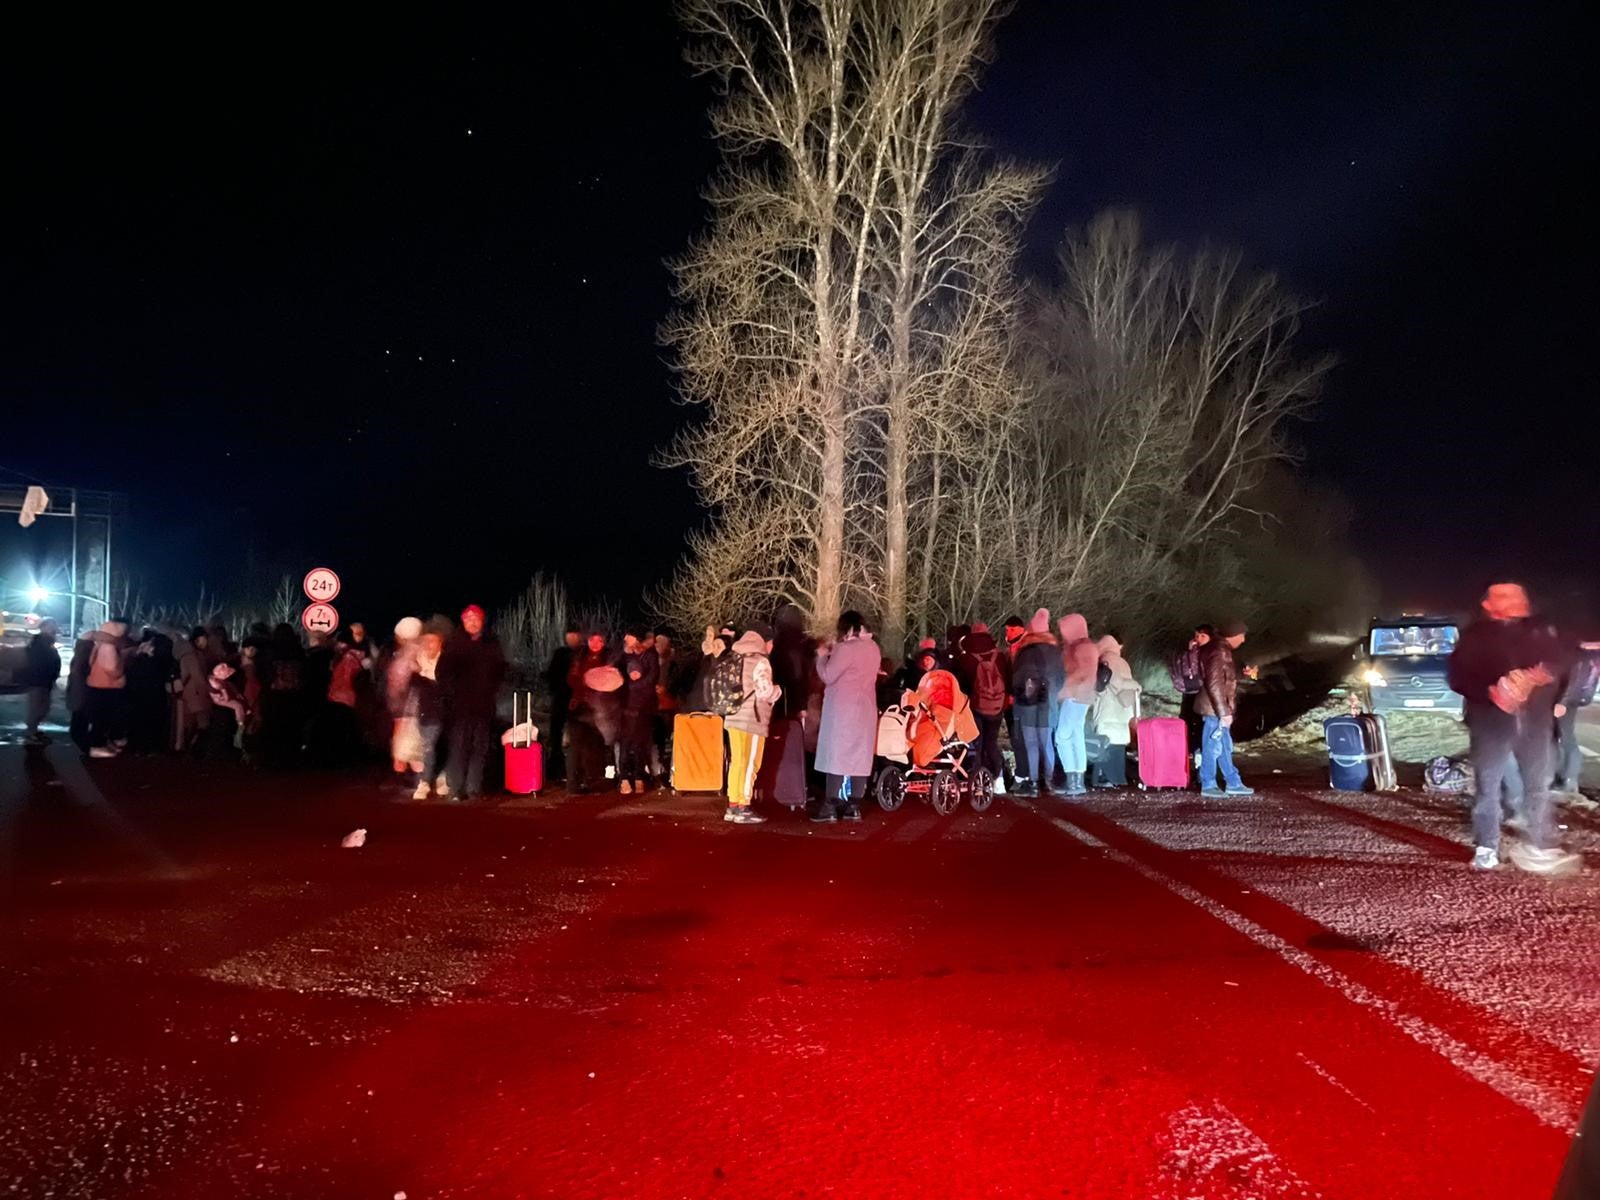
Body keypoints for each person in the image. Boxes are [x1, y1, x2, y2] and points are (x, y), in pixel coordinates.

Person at [1447, 582, 1578, 873]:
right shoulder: (1474, 636)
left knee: (1538, 786)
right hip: (1490, 723)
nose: (1516, 601)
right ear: (1488, 604)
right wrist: (1490, 690)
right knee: (1488, 787)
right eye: (1504, 596)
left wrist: (1541, 677)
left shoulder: (1539, 630)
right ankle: (1486, 847)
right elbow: (1457, 677)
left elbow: (1564, 660)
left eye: (1518, 594)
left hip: (1535, 723)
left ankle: (1540, 845)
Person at [813, 610, 879, 822]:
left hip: (842, 710)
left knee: (837, 754)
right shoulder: (874, 648)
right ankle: (854, 805)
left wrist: (822, 656)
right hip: (866, 709)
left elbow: (828, 675)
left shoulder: (844, 649)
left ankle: (831, 804)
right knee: (860, 754)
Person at [438, 604, 506, 801]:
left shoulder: (491, 643)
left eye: (476, 619)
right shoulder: (454, 643)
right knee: (460, 747)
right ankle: (456, 787)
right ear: (463, 621)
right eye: (468, 619)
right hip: (461, 707)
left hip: (484, 705)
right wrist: (452, 695)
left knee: (480, 748)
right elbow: (443, 674)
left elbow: (500, 669)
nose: (473, 622)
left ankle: (474, 787)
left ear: (482, 621)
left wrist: (494, 689)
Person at [723, 622, 782, 824]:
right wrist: (778, 691)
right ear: (764, 642)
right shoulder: (760, 660)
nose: (772, 646)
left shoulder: (734, 656)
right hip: (752, 719)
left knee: (737, 761)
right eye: (771, 642)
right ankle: (744, 806)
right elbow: (764, 691)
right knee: (750, 763)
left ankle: (732, 805)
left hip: (732, 716)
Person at [1196, 620, 1254, 798]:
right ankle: (1208, 783)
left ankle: (1233, 782)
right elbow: (1214, 684)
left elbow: (1224, 680)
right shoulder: (1218, 650)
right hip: (1215, 710)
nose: (1243, 640)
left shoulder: (1220, 650)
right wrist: (1224, 713)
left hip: (1218, 709)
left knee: (1224, 747)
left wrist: (1241, 675)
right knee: (1212, 747)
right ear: (1234, 635)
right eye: (1242, 636)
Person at [1010, 609, 1061, 795]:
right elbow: (1061, 677)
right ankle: (1048, 781)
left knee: (1031, 743)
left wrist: (1017, 693)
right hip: (1047, 702)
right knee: (1046, 742)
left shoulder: (1025, 650)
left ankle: (1032, 783)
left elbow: (1016, 678)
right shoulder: (1054, 651)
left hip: (1027, 703)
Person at [567, 631, 621, 794]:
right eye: (592, 640)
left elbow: (613, 682)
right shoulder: (580, 656)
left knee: (596, 745)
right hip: (580, 707)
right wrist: (582, 684)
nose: (595, 644)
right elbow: (571, 679)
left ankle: (594, 779)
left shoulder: (609, 657)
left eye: (599, 641)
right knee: (576, 745)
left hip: (601, 709)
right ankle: (573, 782)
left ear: (603, 643)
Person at [959, 622, 1008, 793]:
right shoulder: (999, 655)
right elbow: (1006, 677)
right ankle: (999, 779)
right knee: (991, 743)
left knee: (977, 744)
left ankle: (977, 782)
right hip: (997, 706)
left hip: (976, 705)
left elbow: (962, 683)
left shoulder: (966, 657)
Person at [1054, 613, 1099, 797]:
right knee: (1076, 736)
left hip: (1074, 696)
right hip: (1083, 696)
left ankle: (1072, 779)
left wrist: (1061, 689)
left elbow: (1080, 673)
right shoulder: (1087, 646)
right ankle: (1076, 781)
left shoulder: (1080, 648)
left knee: (1063, 737)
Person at [1088, 635, 1141, 788]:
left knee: (1104, 745)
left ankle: (1102, 778)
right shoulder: (1123, 663)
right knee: (1118, 748)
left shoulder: (1103, 661)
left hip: (1107, 709)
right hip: (1123, 712)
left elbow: (1100, 686)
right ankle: (1118, 778)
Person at [616, 627, 659, 794]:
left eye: (632, 640)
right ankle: (624, 779)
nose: (629, 644)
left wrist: (632, 686)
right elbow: (616, 675)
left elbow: (651, 678)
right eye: (627, 641)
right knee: (625, 743)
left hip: (644, 706)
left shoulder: (650, 655)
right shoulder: (624, 657)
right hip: (626, 706)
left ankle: (640, 777)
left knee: (641, 743)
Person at [80, 618, 131, 757]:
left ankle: (101, 743)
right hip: (106, 687)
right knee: (102, 719)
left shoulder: (100, 644)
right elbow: (113, 669)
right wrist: (121, 671)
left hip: (99, 686)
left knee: (101, 718)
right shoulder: (109, 647)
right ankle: (97, 746)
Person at [543, 624, 583, 782]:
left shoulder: (583, 653)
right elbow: (551, 675)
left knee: (577, 736)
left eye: (575, 635)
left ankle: (576, 770)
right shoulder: (559, 654)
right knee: (556, 736)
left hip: (578, 701)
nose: (572, 638)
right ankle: (556, 769)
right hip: (560, 699)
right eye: (569, 635)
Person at [1171, 624, 1214, 754]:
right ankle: (1188, 752)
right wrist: (1190, 652)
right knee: (1187, 720)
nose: (1198, 638)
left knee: (1199, 723)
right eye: (1196, 636)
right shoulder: (1192, 651)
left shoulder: (1211, 652)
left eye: (1202, 636)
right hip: (1190, 691)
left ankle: (1198, 754)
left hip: (1203, 693)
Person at [24, 619, 61, 744]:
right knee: (37, 708)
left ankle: (34, 731)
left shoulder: (48, 642)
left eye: (54, 626)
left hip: (45, 681)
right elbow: (38, 662)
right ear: (43, 627)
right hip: (37, 680)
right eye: (51, 626)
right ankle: (31, 733)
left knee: (43, 708)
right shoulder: (39, 642)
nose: (54, 628)